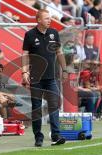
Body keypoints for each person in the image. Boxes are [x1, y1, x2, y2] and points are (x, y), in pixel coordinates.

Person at [22, 9, 67, 147]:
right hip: (36, 78)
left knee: (54, 106)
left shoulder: (54, 33)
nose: (50, 20)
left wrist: (64, 69)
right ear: (39, 20)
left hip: (51, 77)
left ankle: (55, 135)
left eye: (50, 18)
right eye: (46, 18)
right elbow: (24, 54)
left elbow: (59, 52)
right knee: (37, 108)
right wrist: (24, 72)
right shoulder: (29, 35)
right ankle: (38, 137)